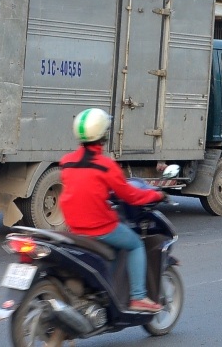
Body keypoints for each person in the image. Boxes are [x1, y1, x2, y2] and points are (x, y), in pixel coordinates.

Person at [58, 108, 166, 313]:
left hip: (73, 228)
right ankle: (138, 297)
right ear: (103, 135)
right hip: (100, 228)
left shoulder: (67, 162)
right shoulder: (106, 166)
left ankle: (105, 289)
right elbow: (131, 196)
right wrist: (157, 195)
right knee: (134, 244)